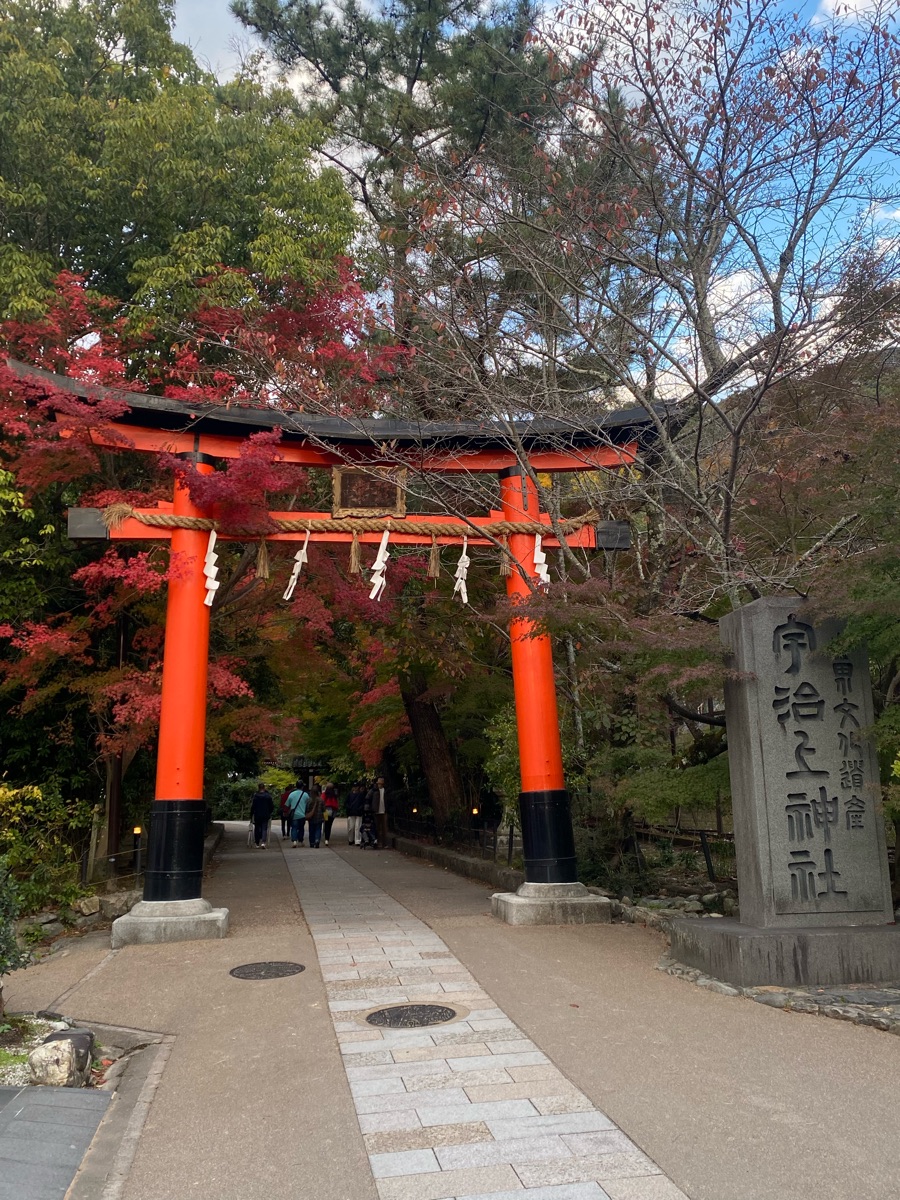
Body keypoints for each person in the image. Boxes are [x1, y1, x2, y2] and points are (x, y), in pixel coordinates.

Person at [285, 781, 310, 846]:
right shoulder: (305, 794)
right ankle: (300, 841)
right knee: (301, 828)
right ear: (302, 786)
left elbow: (287, 804)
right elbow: (308, 803)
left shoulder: (291, 794)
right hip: (302, 814)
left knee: (294, 827)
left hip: (294, 815)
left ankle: (294, 841)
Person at [366, 776, 389, 850]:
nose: (380, 784)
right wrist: (369, 808)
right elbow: (368, 798)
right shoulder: (373, 790)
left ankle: (384, 843)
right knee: (377, 828)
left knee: (384, 828)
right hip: (376, 811)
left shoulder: (385, 790)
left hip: (384, 811)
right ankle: (377, 842)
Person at [250, 782, 274, 848]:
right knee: (264, 828)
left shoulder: (255, 796)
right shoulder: (268, 796)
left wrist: (251, 814)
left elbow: (253, 806)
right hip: (265, 814)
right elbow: (271, 806)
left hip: (257, 814)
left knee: (257, 828)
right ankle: (263, 842)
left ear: (258, 788)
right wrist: (270, 812)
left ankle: (257, 843)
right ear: (264, 788)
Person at [346, 781, 365, 847]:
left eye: (356, 787)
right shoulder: (349, 794)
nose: (355, 788)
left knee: (358, 827)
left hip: (358, 812)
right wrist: (349, 808)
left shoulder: (361, 794)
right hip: (351, 812)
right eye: (354, 787)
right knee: (351, 827)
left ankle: (357, 840)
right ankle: (350, 839)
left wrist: (360, 808)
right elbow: (346, 803)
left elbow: (363, 803)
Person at [306, 784, 324, 848]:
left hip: (311, 817)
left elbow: (307, 809)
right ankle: (317, 840)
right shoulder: (321, 800)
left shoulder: (309, 800)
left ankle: (312, 842)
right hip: (319, 817)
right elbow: (324, 809)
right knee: (318, 829)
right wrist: (325, 818)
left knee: (311, 830)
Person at [322, 782, 339, 846]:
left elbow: (322, 801)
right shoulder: (334, 795)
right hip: (334, 810)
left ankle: (326, 838)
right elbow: (337, 803)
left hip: (326, 810)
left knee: (326, 823)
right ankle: (327, 838)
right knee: (329, 825)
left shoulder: (324, 794)